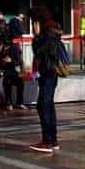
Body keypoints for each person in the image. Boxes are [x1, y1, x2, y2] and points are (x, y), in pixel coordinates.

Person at [30, 15, 67, 152]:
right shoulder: (52, 35)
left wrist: (37, 36)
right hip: (50, 73)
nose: (33, 27)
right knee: (48, 105)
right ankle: (53, 139)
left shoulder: (47, 36)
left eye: (34, 23)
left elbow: (38, 51)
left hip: (48, 73)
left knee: (44, 106)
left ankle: (47, 141)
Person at [0, 27, 26, 110]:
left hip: (16, 71)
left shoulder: (14, 48)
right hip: (7, 72)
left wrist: (10, 61)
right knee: (7, 83)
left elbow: (19, 61)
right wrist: (3, 62)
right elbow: (0, 63)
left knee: (20, 84)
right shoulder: (3, 49)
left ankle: (19, 102)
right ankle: (9, 103)